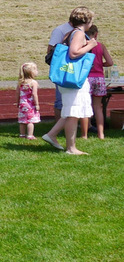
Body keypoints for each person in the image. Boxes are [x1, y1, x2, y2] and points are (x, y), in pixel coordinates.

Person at [41, 9, 97, 154]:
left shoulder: (70, 33)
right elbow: (73, 53)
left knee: (71, 111)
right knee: (73, 112)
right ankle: (71, 148)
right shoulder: (78, 33)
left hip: (69, 78)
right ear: (87, 21)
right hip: (73, 78)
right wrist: (90, 46)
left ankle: (52, 135)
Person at [46, 7, 91, 117]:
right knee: (66, 103)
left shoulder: (71, 32)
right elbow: (70, 52)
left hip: (68, 69)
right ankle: (57, 130)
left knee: (71, 105)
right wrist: (90, 46)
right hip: (68, 69)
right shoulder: (63, 30)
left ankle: (56, 131)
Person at [84, 25, 115, 139]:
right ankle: (101, 133)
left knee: (86, 105)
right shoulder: (101, 46)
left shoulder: (84, 46)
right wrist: (101, 64)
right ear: (96, 34)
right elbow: (110, 62)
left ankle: (85, 133)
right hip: (99, 78)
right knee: (98, 106)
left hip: (87, 78)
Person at [17, 62, 40, 139]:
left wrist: (17, 102)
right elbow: (34, 94)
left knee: (22, 120)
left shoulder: (20, 83)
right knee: (30, 121)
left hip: (22, 104)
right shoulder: (33, 83)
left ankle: (22, 134)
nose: (37, 71)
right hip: (30, 104)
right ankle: (30, 135)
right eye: (36, 69)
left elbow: (17, 93)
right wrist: (37, 104)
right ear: (31, 72)